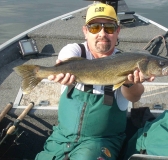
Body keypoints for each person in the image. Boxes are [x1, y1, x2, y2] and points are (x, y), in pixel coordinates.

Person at [35, 2, 154, 160]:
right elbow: (65, 59)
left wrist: (130, 82)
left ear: (118, 31)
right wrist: (58, 74)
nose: (102, 33)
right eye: (95, 27)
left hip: (102, 143)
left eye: (109, 28)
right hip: (60, 139)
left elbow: (135, 96)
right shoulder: (74, 50)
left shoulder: (127, 61)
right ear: (85, 31)